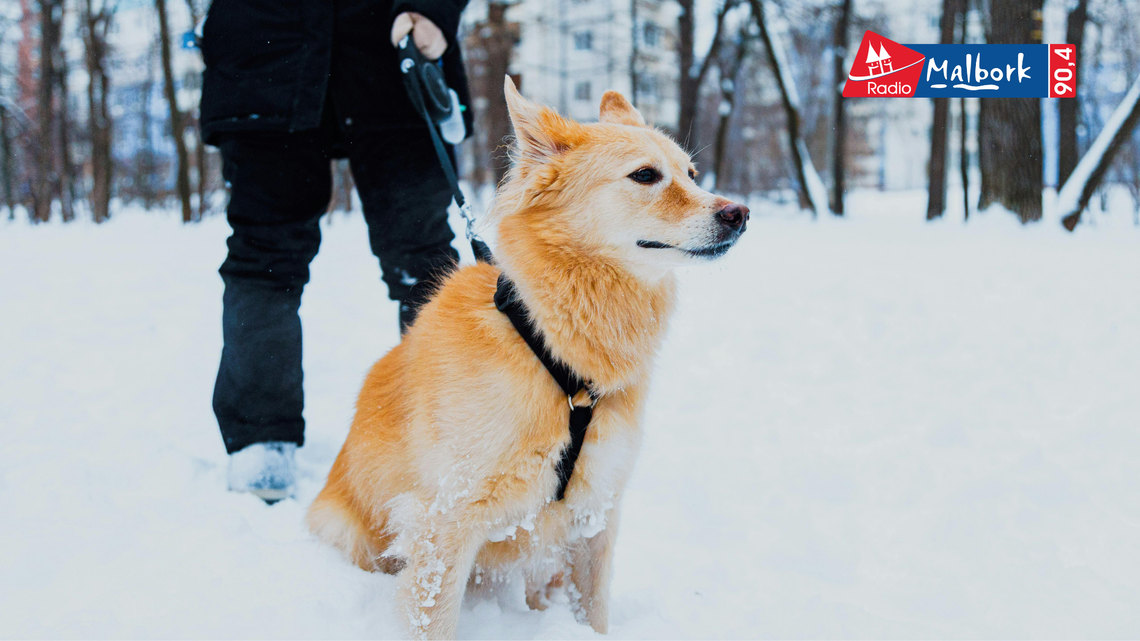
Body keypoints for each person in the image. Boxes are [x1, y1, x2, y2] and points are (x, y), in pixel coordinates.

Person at [199, 0, 472, 502]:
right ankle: (261, 439)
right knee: (265, 253)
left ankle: (445, 426)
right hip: (264, 52)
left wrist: (434, 8)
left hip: (393, 49)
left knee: (424, 260)